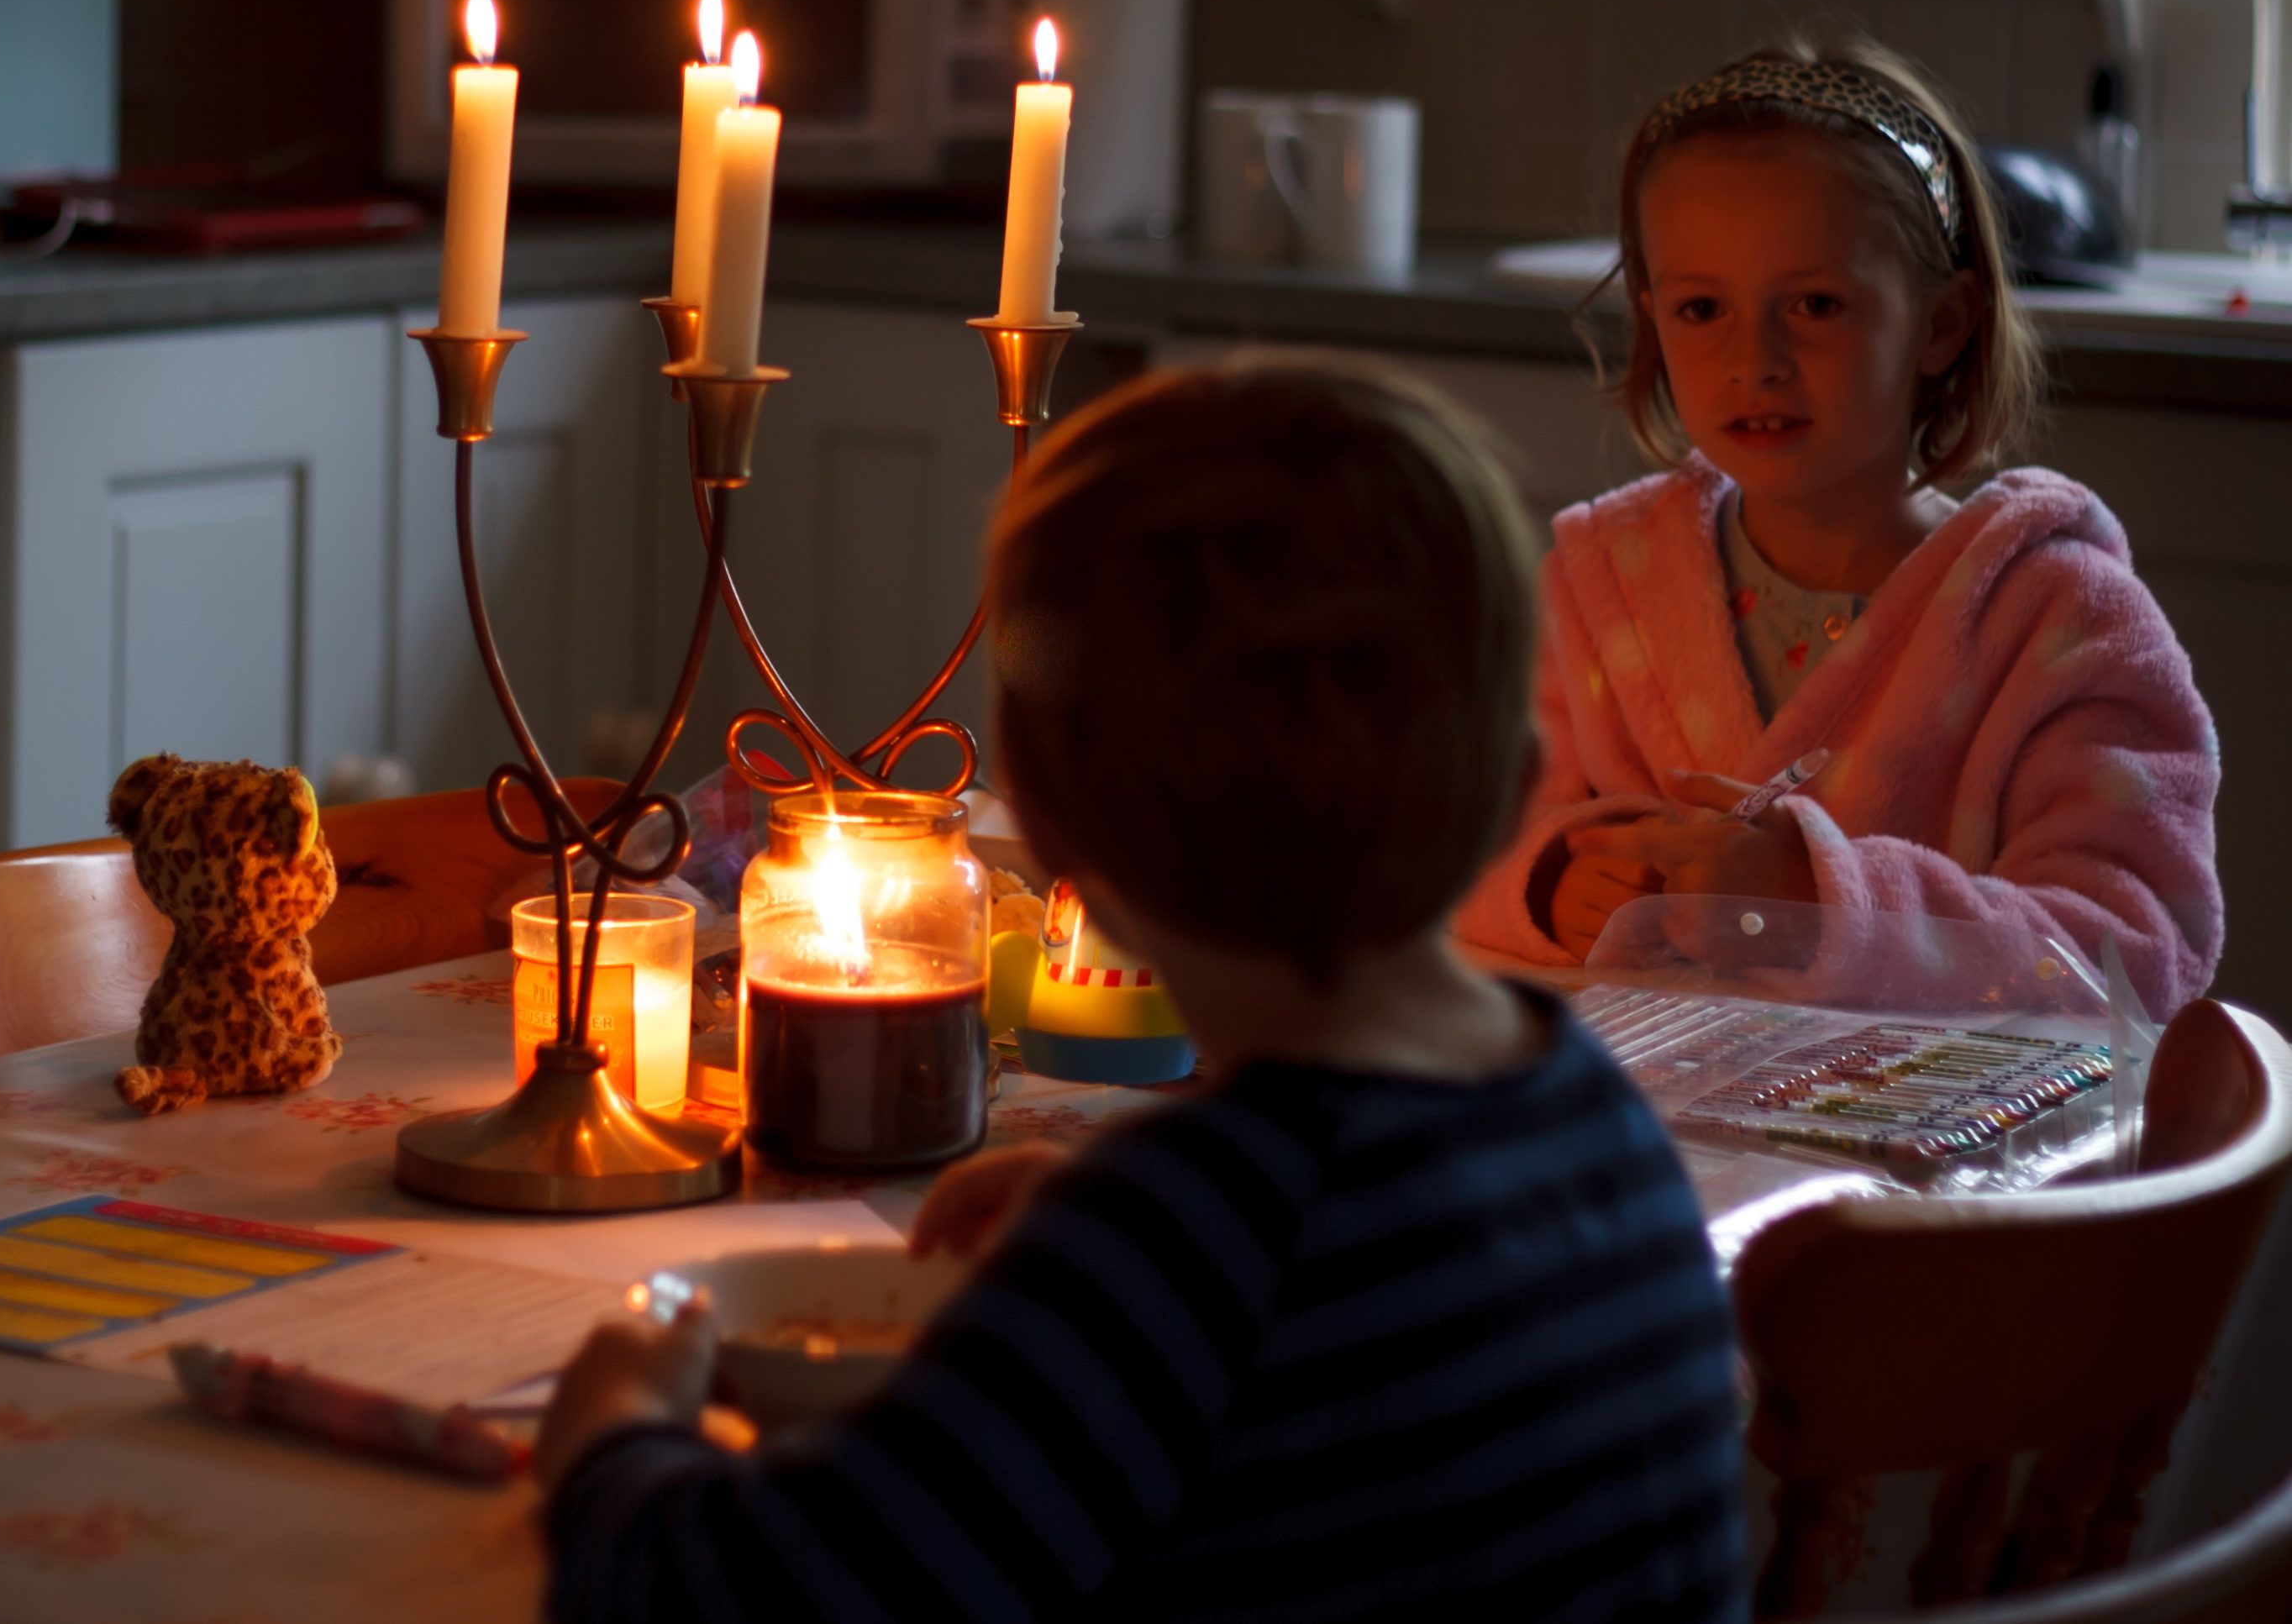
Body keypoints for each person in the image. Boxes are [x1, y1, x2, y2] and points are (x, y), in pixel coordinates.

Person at [533, 358, 1748, 1622]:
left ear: (1057, 843)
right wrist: (1114, 1231)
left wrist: (614, 1423)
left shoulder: (1198, 1237)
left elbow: (761, 1593)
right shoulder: (1587, 1115)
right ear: (1517, 788)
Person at [1452, 36, 2221, 1010]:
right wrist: (1551, 879)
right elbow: (1460, 842)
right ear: (1651, 320)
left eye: (1813, 304)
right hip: (1655, 1132)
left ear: (1941, 324)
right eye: (1699, 309)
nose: (1753, 360)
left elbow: (2138, 953)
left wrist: (1821, 902)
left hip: (1946, 1149)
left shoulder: (2057, 620)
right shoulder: (1598, 587)